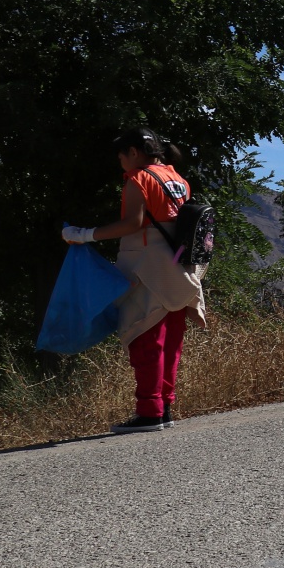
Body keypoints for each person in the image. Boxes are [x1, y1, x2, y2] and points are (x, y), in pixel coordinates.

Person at [60, 128, 208, 433]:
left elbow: (133, 223)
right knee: (171, 342)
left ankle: (149, 411)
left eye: (121, 154)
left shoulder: (138, 179)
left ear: (134, 152)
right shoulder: (177, 178)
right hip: (178, 269)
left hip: (147, 267)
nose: (120, 161)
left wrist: (84, 234)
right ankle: (164, 406)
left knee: (145, 339)